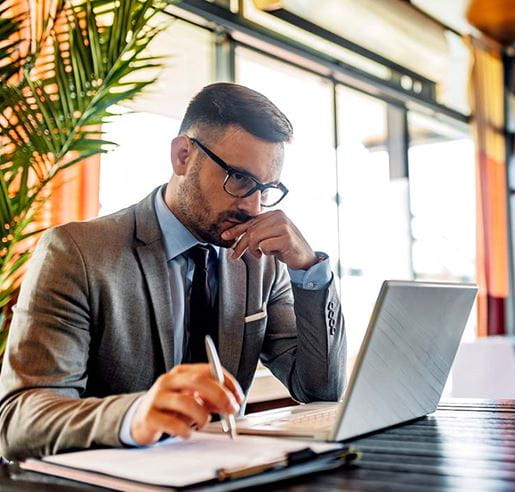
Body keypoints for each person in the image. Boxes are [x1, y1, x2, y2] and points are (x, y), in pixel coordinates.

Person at [0, 83, 346, 459]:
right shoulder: (77, 253)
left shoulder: (261, 261)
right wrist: (133, 416)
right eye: (241, 180)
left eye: (266, 188)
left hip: (229, 475)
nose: (253, 206)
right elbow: (19, 421)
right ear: (182, 155)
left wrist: (308, 270)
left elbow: (320, 390)